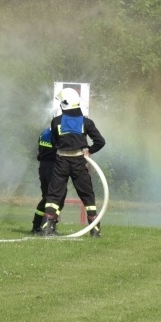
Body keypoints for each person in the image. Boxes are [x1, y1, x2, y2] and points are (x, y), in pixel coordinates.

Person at [38, 87, 105, 238]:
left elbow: (55, 141)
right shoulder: (86, 122)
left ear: (64, 104)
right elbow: (100, 141)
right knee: (87, 195)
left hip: (61, 161)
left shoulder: (56, 122)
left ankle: (46, 228)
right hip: (79, 163)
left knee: (54, 194)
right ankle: (95, 231)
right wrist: (89, 150)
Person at [30, 127, 66, 235]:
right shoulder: (59, 132)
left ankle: (36, 226)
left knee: (47, 197)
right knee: (58, 197)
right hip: (54, 167)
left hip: (43, 167)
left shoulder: (45, 132)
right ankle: (49, 226)